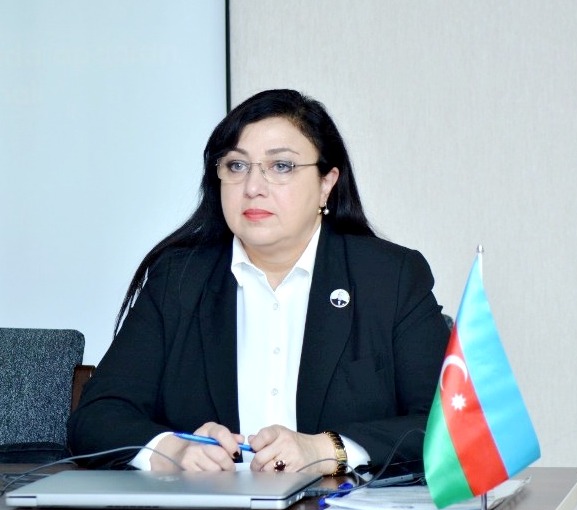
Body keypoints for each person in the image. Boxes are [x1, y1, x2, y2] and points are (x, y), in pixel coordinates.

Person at [67, 89, 450, 476]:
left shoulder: (390, 277)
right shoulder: (178, 280)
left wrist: (327, 448)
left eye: (281, 166)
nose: (253, 187)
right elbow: (97, 416)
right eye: (236, 166)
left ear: (326, 183)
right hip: (210, 506)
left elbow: (448, 426)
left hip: (335, 504)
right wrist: (172, 450)